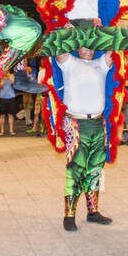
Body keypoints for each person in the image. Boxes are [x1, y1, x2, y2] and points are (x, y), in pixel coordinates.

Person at [53, 46, 115, 228]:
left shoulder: (101, 64)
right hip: (76, 125)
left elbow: (114, 45)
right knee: (75, 171)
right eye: (84, 44)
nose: (88, 48)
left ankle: (93, 211)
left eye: (91, 43)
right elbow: (58, 43)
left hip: (97, 123)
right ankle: (69, 215)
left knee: (95, 170)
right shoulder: (68, 62)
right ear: (77, 47)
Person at [0, 71, 17, 136]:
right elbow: (0, 86)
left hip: (11, 97)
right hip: (3, 98)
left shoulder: (12, 75)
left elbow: (12, 82)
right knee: (2, 115)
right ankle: (2, 130)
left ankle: (11, 130)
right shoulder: (1, 76)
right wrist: (4, 78)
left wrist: (9, 75)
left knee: (10, 115)